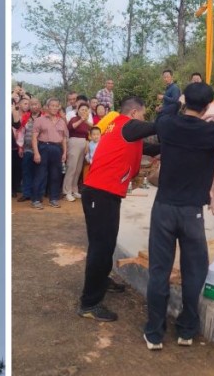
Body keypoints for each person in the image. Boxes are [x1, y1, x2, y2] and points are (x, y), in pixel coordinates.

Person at [144, 83, 214, 350]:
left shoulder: (167, 125)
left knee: (159, 271)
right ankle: (187, 330)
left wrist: (173, 102)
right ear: (208, 105)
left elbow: (164, 113)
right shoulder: (211, 132)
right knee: (194, 271)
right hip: (192, 213)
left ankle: (155, 334)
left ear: (185, 102)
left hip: (164, 208)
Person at [77, 97, 161, 323]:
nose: (144, 119)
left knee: (106, 243)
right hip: (100, 193)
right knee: (100, 247)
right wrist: (172, 108)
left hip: (105, 193)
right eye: (143, 114)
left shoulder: (121, 130)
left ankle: (102, 280)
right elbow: (158, 126)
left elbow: (150, 147)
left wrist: (170, 148)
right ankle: (89, 303)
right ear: (134, 113)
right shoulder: (127, 124)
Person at [32, 98, 69, 209]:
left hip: (57, 149)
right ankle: (36, 199)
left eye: (56, 106)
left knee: (55, 175)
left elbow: (63, 138)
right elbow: (34, 138)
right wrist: (36, 153)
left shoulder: (62, 121)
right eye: (51, 105)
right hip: (43, 147)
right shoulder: (40, 120)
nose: (54, 108)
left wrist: (64, 153)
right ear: (47, 107)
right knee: (40, 174)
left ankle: (53, 199)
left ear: (59, 107)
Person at [63, 102, 93, 202]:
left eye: (86, 110)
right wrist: (81, 119)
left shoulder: (86, 122)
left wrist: (87, 144)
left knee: (78, 169)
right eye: (82, 109)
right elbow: (71, 127)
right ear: (78, 111)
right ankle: (67, 191)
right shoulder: (74, 119)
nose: (84, 111)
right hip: (74, 143)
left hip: (83, 144)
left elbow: (93, 129)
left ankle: (74, 189)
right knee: (72, 167)